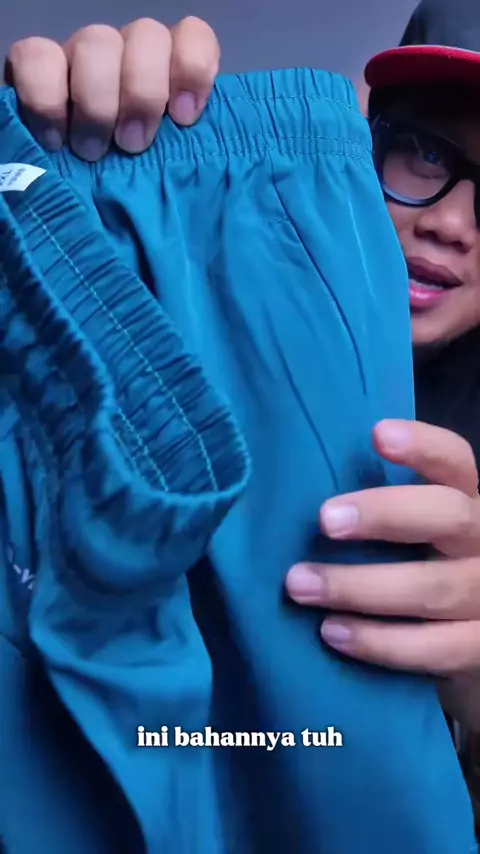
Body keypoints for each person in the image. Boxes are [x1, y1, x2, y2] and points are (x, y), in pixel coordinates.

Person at [0, 3, 479, 853]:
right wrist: (91, 182)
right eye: (431, 152)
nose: (453, 222)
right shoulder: (177, 267)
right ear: (366, 133)